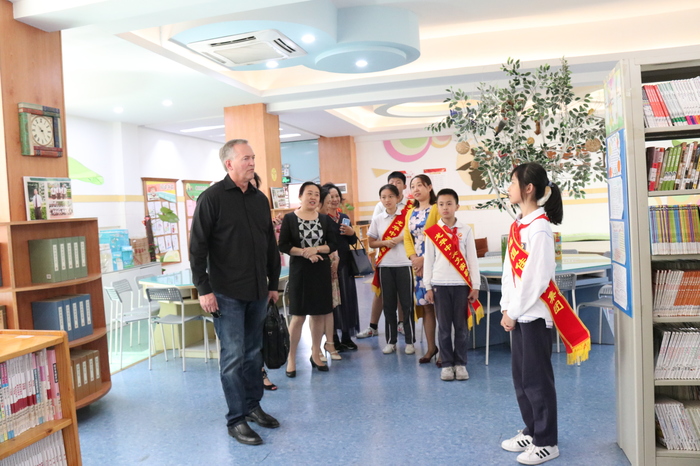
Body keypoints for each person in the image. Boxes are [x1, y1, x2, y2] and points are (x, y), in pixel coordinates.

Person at [189, 139, 281, 446]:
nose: (252, 162)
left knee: (254, 355)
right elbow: (197, 248)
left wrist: (272, 284)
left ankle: (253, 407)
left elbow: (269, 244)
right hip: (225, 293)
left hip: (257, 291)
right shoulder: (211, 198)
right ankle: (236, 419)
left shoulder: (259, 199)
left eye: (253, 157)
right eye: (246, 158)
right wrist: (204, 289)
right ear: (229, 163)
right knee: (233, 357)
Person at [499, 162, 565, 465]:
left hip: (534, 315)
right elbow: (509, 272)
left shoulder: (539, 228)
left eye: (513, 182)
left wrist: (513, 311)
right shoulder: (519, 224)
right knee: (522, 379)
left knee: (538, 381)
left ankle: (547, 442)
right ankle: (532, 430)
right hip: (518, 313)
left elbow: (536, 279)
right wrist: (506, 305)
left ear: (528, 188)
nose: (508, 187)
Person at [278, 181, 337, 376]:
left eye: (316, 195)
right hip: (300, 272)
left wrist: (316, 249)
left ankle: (315, 353)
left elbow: (333, 244)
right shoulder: (289, 219)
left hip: (320, 271)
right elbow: (283, 245)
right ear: (300, 196)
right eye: (309, 193)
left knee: (319, 315)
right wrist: (304, 252)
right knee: (298, 316)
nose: (313, 197)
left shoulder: (324, 219)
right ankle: (291, 357)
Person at [423, 188, 480, 381]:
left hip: (461, 285)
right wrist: (428, 286)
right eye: (441, 204)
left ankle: (461, 364)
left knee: (461, 327)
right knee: (444, 328)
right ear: (437, 207)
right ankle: (447, 364)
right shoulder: (432, 233)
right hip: (440, 284)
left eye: (449, 203)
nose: (445, 207)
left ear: (457, 206)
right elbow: (428, 261)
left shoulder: (466, 230)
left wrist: (475, 285)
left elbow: (472, 260)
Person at [357, 171, 411, 338]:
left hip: (404, 258)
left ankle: (402, 324)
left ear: (404, 186)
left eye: (398, 182)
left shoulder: (410, 206)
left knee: (403, 294)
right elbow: (376, 233)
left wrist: (400, 238)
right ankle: (373, 326)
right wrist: (387, 242)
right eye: (391, 182)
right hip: (385, 258)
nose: (394, 185)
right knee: (380, 292)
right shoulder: (380, 207)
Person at [368, 184, 414, 354]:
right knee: (388, 305)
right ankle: (391, 341)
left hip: (404, 264)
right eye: (383, 197)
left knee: (407, 304)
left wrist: (401, 237)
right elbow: (371, 242)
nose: (387, 200)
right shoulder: (378, 219)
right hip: (385, 266)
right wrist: (385, 243)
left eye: (390, 196)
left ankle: (409, 341)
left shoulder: (407, 216)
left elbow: (414, 235)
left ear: (398, 198)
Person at [404, 174, 440, 364]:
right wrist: (414, 259)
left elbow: (440, 238)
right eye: (412, 186)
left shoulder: (436, 209)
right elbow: (407, 239)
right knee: (427, 307)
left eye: (420, 185)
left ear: (429, 187)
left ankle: (445, 351)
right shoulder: (410, 212)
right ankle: (431, 348)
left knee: (440, 308)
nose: (416, 189)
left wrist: (424, 260)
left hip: (436, 266)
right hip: (418, 268)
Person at [321, 182, 360, 351]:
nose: (335, 199)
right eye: (331, 196)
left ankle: (346, 336)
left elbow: (352, 241)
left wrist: (352, 233)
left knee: (347, 299)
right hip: (328, 266)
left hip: (345, 264)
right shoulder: (321, 218)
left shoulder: (343, 217)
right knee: (332, 302)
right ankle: (333, 338)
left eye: (337, 196)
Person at [251, 172, 278, 391]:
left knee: (257, 337)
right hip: (231, 290)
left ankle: (260, 373)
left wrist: (273, 284)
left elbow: (271, 250)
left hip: (259, 286)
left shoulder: (260, 206)